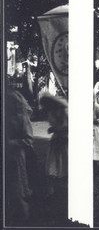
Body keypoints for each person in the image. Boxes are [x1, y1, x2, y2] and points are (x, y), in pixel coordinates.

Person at [5, 87, 35, 222]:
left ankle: (23, 212)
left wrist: (12, 143)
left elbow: (28, 139)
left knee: (17, 184)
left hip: (17, 155)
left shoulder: (22, 118)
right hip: (6, 154)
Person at [40, 93, 68, 198]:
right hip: (57, 138)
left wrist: (55, 129)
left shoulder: (63, 111)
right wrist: (53, 129)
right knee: (51, 163)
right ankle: (50, 189)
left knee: (65, 161)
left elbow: (67, 126)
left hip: (65, 138)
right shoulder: (51, 112)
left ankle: (65, 185)